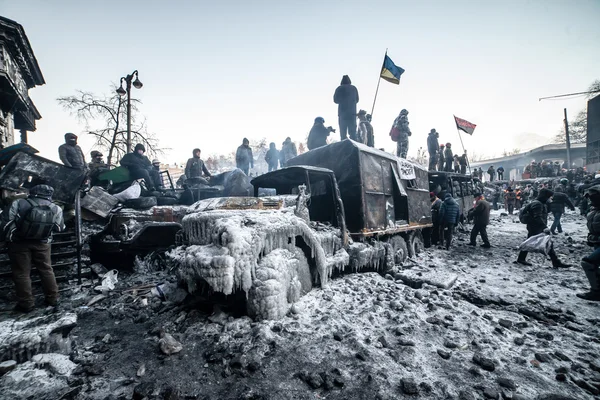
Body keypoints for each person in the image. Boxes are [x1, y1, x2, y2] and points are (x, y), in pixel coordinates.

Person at [0, 185, 65, 312]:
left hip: (19, 243)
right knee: (46, 269)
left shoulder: (18, 203)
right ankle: (53, 298)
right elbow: (59, 228)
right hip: (43, 243)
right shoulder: (56, 208)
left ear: (32, 192)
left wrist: (7, 238)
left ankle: (27, 304)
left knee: (22, 273)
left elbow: (6, 223)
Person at [515, 188, 570, 268]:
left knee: (534, 241)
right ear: (545, 197)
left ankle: (521, 258)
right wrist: (544, 227)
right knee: (545, 242)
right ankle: (555, 261)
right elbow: (537, 217)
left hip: (535, 226)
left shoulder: (539, 203)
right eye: (550, 197)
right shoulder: (538, 204)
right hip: (536, 227)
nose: (551, 199)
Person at [577, 185, 600, 301]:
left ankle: (596, 292)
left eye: (594, 197)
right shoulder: (593, 209)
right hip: (596, 241)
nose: (591, 199)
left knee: (588, 262)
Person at [333, 75, 359, 141]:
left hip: (342, 113)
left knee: (343, 133)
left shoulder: (339, 88)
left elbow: (335, 100)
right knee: (353, 133)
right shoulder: (354, 88)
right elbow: (357, 100)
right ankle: (354, 148)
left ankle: (344, 148)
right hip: (352, 113)